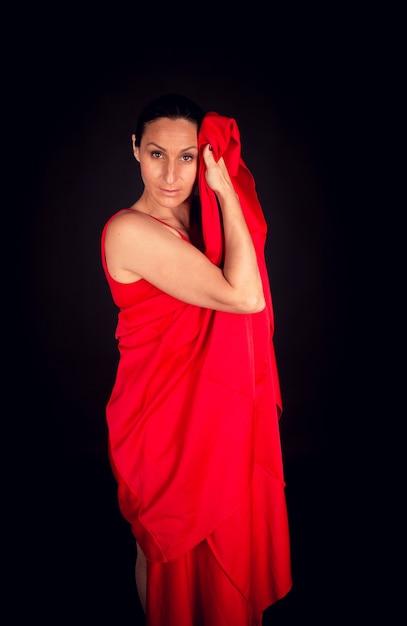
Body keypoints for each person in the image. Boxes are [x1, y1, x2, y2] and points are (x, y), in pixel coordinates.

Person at [101, 93, 292, 626]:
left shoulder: (198, 221)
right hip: (157, 418)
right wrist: (228, 195)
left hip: (209, 409)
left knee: (217, 541)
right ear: (136, 150)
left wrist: (221, 197)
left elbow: (245, 275)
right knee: (164, 549)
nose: (171, 174)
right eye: (157, 153)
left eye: (188, 157)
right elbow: (245, 296)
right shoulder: (129, 231)